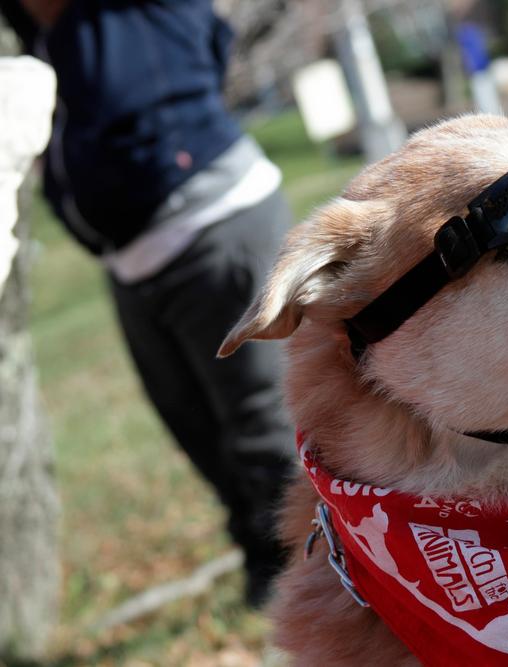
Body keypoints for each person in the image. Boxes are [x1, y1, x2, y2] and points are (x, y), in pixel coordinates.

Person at [0, 0, 296, 607]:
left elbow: (206, 39)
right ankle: (268, 569)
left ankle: (313, 574)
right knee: (194, 427)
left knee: (263, 419)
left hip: (217, 225)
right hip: (134, 264)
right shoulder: (42, 50)